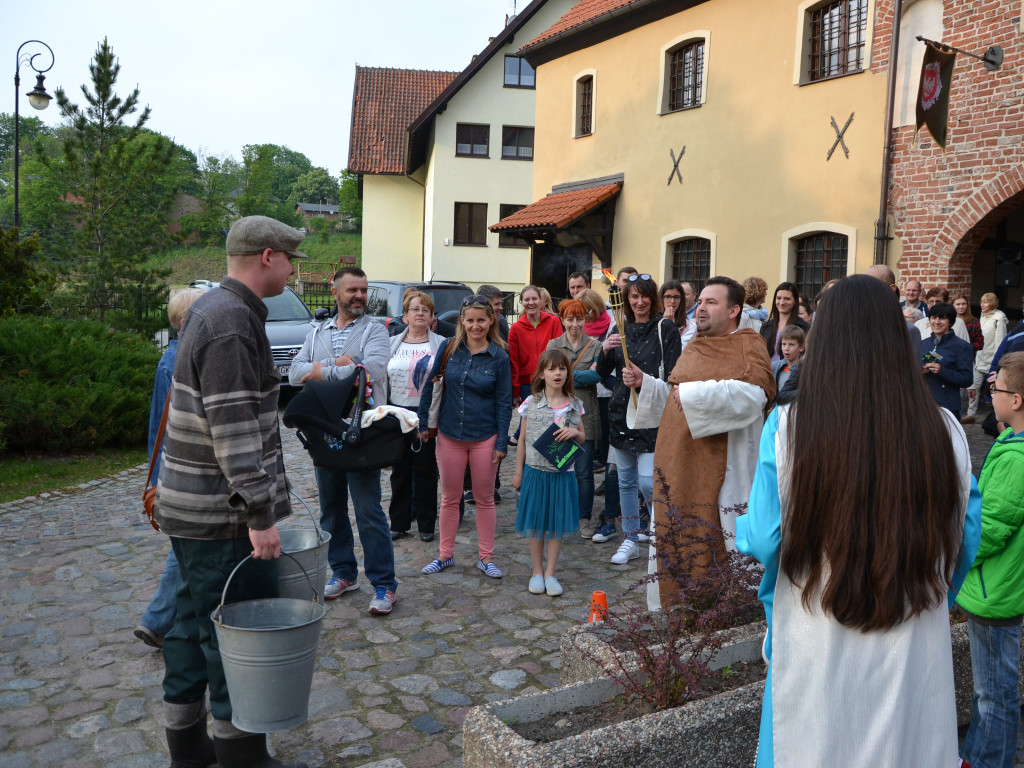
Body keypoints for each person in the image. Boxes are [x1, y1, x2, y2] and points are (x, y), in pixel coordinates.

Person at [736, 274, 981, 768]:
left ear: (822, 341)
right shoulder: (948, 431)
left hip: (817, 625)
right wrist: (930, 590)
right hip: (912, 627)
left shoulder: (787, 429)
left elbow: (763, 537)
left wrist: (746, 534)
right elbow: (964, 540)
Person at [154, 215, 306, 768]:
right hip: (220, 516)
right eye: (291, 259)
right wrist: (261, 516)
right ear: (267, 256)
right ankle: (241, 756)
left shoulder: (216, 310)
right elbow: (235, 432)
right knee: (232, 636)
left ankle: (189, 752)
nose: (293, 270)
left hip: (195, 509)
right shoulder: (230, 323)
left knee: (191, 625)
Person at [623, 276, 774, 610]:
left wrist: (690, 394)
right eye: (701, 301)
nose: (701, 308)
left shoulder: (749, 345)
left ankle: (725, 611)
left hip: (726, 466)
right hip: (679, 464)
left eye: (711, 302)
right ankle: (680, 609)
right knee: (676, 529)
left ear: (734, 310)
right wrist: (646, 384)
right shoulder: (695, 346)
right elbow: (673, 397)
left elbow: (753, 397)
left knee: (720, 537)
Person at [289, 267, 397, 614]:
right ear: (335, 293)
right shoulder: (317, 330)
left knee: (368, 510)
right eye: (352, 290)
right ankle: (344, 573)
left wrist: (320, 372)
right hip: (324, 431)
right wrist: (337, 365)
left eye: (363, 290)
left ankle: (383, 584)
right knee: (331, 510)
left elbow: (371, 371)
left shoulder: (375, 331)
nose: (360, 296)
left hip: (362, 430)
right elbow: (294, 372)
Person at [957, 352, 1024, 768]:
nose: (989, 395)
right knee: (993, 691)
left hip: (994, 591)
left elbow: (990, 528)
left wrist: (953, 556)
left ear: (1015, 399)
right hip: (998, 587)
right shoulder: (1010, 444)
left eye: (995, 388)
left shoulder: (1017, 459)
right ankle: (975, 756)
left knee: (995, 694)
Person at [418, 295, 511, 577]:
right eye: (470, 320)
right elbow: (431, 385)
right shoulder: (449, 348)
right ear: (462, 321)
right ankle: (445, 555)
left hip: (484, 436)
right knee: (449, 498)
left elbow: (503, 403)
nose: (475, 325)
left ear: (490, 320)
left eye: (481, 320)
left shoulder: (499, 357)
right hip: (449, 435)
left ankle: (486, 557)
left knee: (484, 499)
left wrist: (502, 441)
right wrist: (424, 423)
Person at [134, 288, 205, 650]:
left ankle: (165, 620)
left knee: (185, 546)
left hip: (172, 468)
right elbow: (169, 426)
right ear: (187, 321)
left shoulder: (173, 356)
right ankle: (159, 621)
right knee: (185, 547)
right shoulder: (179, 361)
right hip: (181, 470)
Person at [596, 274, 681, 564]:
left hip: (651, 414)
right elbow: (602, 372)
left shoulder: (665, 328)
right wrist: (606, 350)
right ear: (627, 300)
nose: (640, 302)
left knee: (648, 482)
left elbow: (673, 374)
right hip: (621, 411)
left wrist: (644, 380)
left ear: (653, 298)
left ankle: (659, 532)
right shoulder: (621, 327)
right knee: (625, 481)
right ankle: (630, 537)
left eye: (645, 296)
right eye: (634, 296)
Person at [512, 349, 585, 597]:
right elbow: (521, 440)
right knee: (536, 522)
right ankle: (536, 571)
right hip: (535, 472)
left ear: (567, 373)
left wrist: (575, 433)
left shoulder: (575, 405)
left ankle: (551, 572)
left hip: (562, 473)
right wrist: (518, 473)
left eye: (562, 369)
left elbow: (583, 436)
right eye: (552, 369)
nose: (557, 373)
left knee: (556, 523)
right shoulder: (530, 403)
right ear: (542, 373)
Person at [386, 291, 445, 542]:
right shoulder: (392, 343)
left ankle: (426, 525)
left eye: (425, 310)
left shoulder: (442, 343)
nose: (420, 313)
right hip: (398, 412)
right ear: (405, 315)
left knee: (426, 471)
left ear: (432, 317)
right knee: (399, 470)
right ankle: (399, 523)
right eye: (415, 309)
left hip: (427, 413)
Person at [547, 299, 601, 538]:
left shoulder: (595, 346)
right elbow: (548, 376)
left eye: (579, 319)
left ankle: (584, 519)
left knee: (584, 471)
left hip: (585, 414)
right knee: (559, 467)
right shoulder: (553, 344)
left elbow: (597, 376)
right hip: (558, 413)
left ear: (585, 320)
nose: (575, 324)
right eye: (570, 319)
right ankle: (561, 515)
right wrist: (581, 374)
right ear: (562, 320)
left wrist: (566, 373)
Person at [508, 285, 564, 442]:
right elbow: (513, 361)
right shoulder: (516, 328)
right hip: (527, 384)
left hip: (550, 381)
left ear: (541, 301)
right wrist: (515, 390)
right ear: (522, 302)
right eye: (526, 299)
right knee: (531, 425)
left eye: (534, 298)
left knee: (552, 421)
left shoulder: (553, 321)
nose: (530, 302)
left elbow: (558, 352)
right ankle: (528, 459)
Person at [921, 302, 974, 419]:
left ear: (950, 321)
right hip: (923, 404)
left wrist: (942, 371)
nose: (937, 322)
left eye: (942, 318)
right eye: (934, 318)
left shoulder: (962, 347)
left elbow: (967, 379)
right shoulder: (923, 344)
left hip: (947, 407)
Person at [965, 292, 1008, 423]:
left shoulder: (999, 318)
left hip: (992, 360)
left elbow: (1000, 341)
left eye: (986, 302)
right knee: (975, 386)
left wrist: (997, 362)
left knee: (994, 389)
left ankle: (998, 417)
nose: (982, 304)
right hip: (980, 358)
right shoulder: (982, 317)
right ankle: (970, 414)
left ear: (993, 303)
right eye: (982, 302)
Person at [759, 282, 810, 362]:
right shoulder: (766, 327)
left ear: (795, 302)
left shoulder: (804, 328)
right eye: (779, 298)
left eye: (787, 299)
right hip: (767, 373)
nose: (782, 302)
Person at [660, 279, 697, 348]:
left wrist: (668, 325)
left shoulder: (690, 326)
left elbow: (679, 350)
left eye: (676, 297)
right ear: (662, 298)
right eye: (668, 297)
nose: (672, 301)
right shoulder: (651, 320)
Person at [772, 325, 805, 395]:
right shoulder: (773, 367)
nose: (786, 348)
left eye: (791, 344)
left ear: (801, 347)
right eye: (784, 344)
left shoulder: (805, 369)